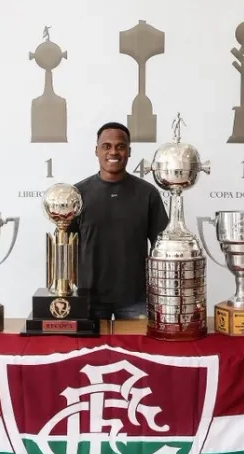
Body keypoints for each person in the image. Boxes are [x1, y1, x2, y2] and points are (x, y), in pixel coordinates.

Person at [67, 122, 169, 320]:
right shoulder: (76, 195)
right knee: (92, 352)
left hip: (135, 298)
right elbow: (66, 247)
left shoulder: (147, 194)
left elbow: (162, 248)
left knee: (137, 351)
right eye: (106, 146)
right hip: (88, 298)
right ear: (96, 151)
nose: (113, 152)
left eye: (120, 146)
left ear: (129, 151)